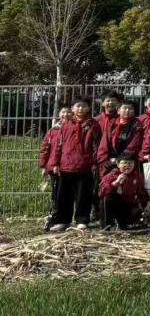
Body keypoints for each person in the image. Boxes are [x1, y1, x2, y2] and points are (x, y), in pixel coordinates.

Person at [47, 96, 101, 232]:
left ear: (89, 108)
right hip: (66, 165)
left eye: (84, 106)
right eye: (77, 106)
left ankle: (82, 220)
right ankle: (62, 221)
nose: (81, 108)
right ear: (72, 109)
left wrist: (95, 162)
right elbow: (59, 145)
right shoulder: (66, 124)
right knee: (63, 196)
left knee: (83, 195)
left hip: (85, 165)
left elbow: (98, 145)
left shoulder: (93, 124)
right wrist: (55, 163)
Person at [99, 154, 149, 230]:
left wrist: (145, 208)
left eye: (131, 163)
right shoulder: (111, 175)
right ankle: (106, 226)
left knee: (136, 214)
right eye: (125, 163)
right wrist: (116, 182)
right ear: (118, 164)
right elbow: (101, 192)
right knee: (107, 197)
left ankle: (123, 225)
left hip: (129, 205)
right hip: (115, 204)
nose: (128, 165)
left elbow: (141, 193)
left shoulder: (137, 177)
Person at [40, 106, 71, 228]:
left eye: (68, 112)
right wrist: (44, 166)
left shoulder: (74, 129)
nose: (66, 114)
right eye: (63, 112)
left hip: (67, 167)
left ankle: (63, 218)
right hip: (53, 167)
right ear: (59, 114)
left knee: (66, 194)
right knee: (56, 193)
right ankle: (54, 216)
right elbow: (45, 149)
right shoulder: (53, 131)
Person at [96, 100, 144, 177]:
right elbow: (104, 143)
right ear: (118, 110)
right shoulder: (112, 123)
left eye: (130, 108)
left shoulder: (137, 125)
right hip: (110, 161)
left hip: (127, 162)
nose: (127, 110)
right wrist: (103, 159)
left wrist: (120, 160)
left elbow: (134, 145)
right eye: (125, 108)